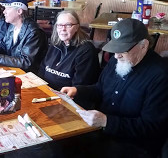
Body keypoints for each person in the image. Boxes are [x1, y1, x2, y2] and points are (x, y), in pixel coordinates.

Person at [60, 18, 168, 157]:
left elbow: (152, 127)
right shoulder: (117, 60)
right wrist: (78, 90)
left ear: (144, 45)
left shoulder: (160, 76)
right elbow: (100, 89)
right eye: (115, 49)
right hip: (102, 131)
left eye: (123, 49)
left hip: (134, 145)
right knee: (59, 144)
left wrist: (107, 122)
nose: (116, 55)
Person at [0, 0, 47, 73]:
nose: (4, 12)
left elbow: (26, 62)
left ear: (19, 11)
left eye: (8, 8)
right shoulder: (12, 26)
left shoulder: (34, 32)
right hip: (13, 70)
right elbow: (4, 45)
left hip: (28, 75)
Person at [38, 10, 100, 90]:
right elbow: (42, 69)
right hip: (46, 92)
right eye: (59, 25)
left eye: (68, 25)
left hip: (66, 98)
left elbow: (78, 87)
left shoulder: (86, 51)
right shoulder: (55, 44)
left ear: (77, 27)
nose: (63, 29)